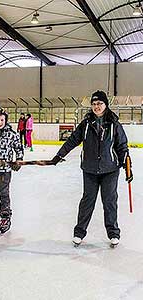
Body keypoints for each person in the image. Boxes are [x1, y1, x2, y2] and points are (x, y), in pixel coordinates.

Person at [50, 90, 133, 247]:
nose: (97, 106)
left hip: (110, 169)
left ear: (105, 105)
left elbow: (122, 146)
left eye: (100, 103)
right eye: (94, 104)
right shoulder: (86, 124)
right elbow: (73, 140)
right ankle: (79, 232)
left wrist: (127, 166)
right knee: (87, 200)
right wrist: (59, 155)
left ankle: (113, 233)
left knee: (109, 201)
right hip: (89, 169)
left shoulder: (114, 124)